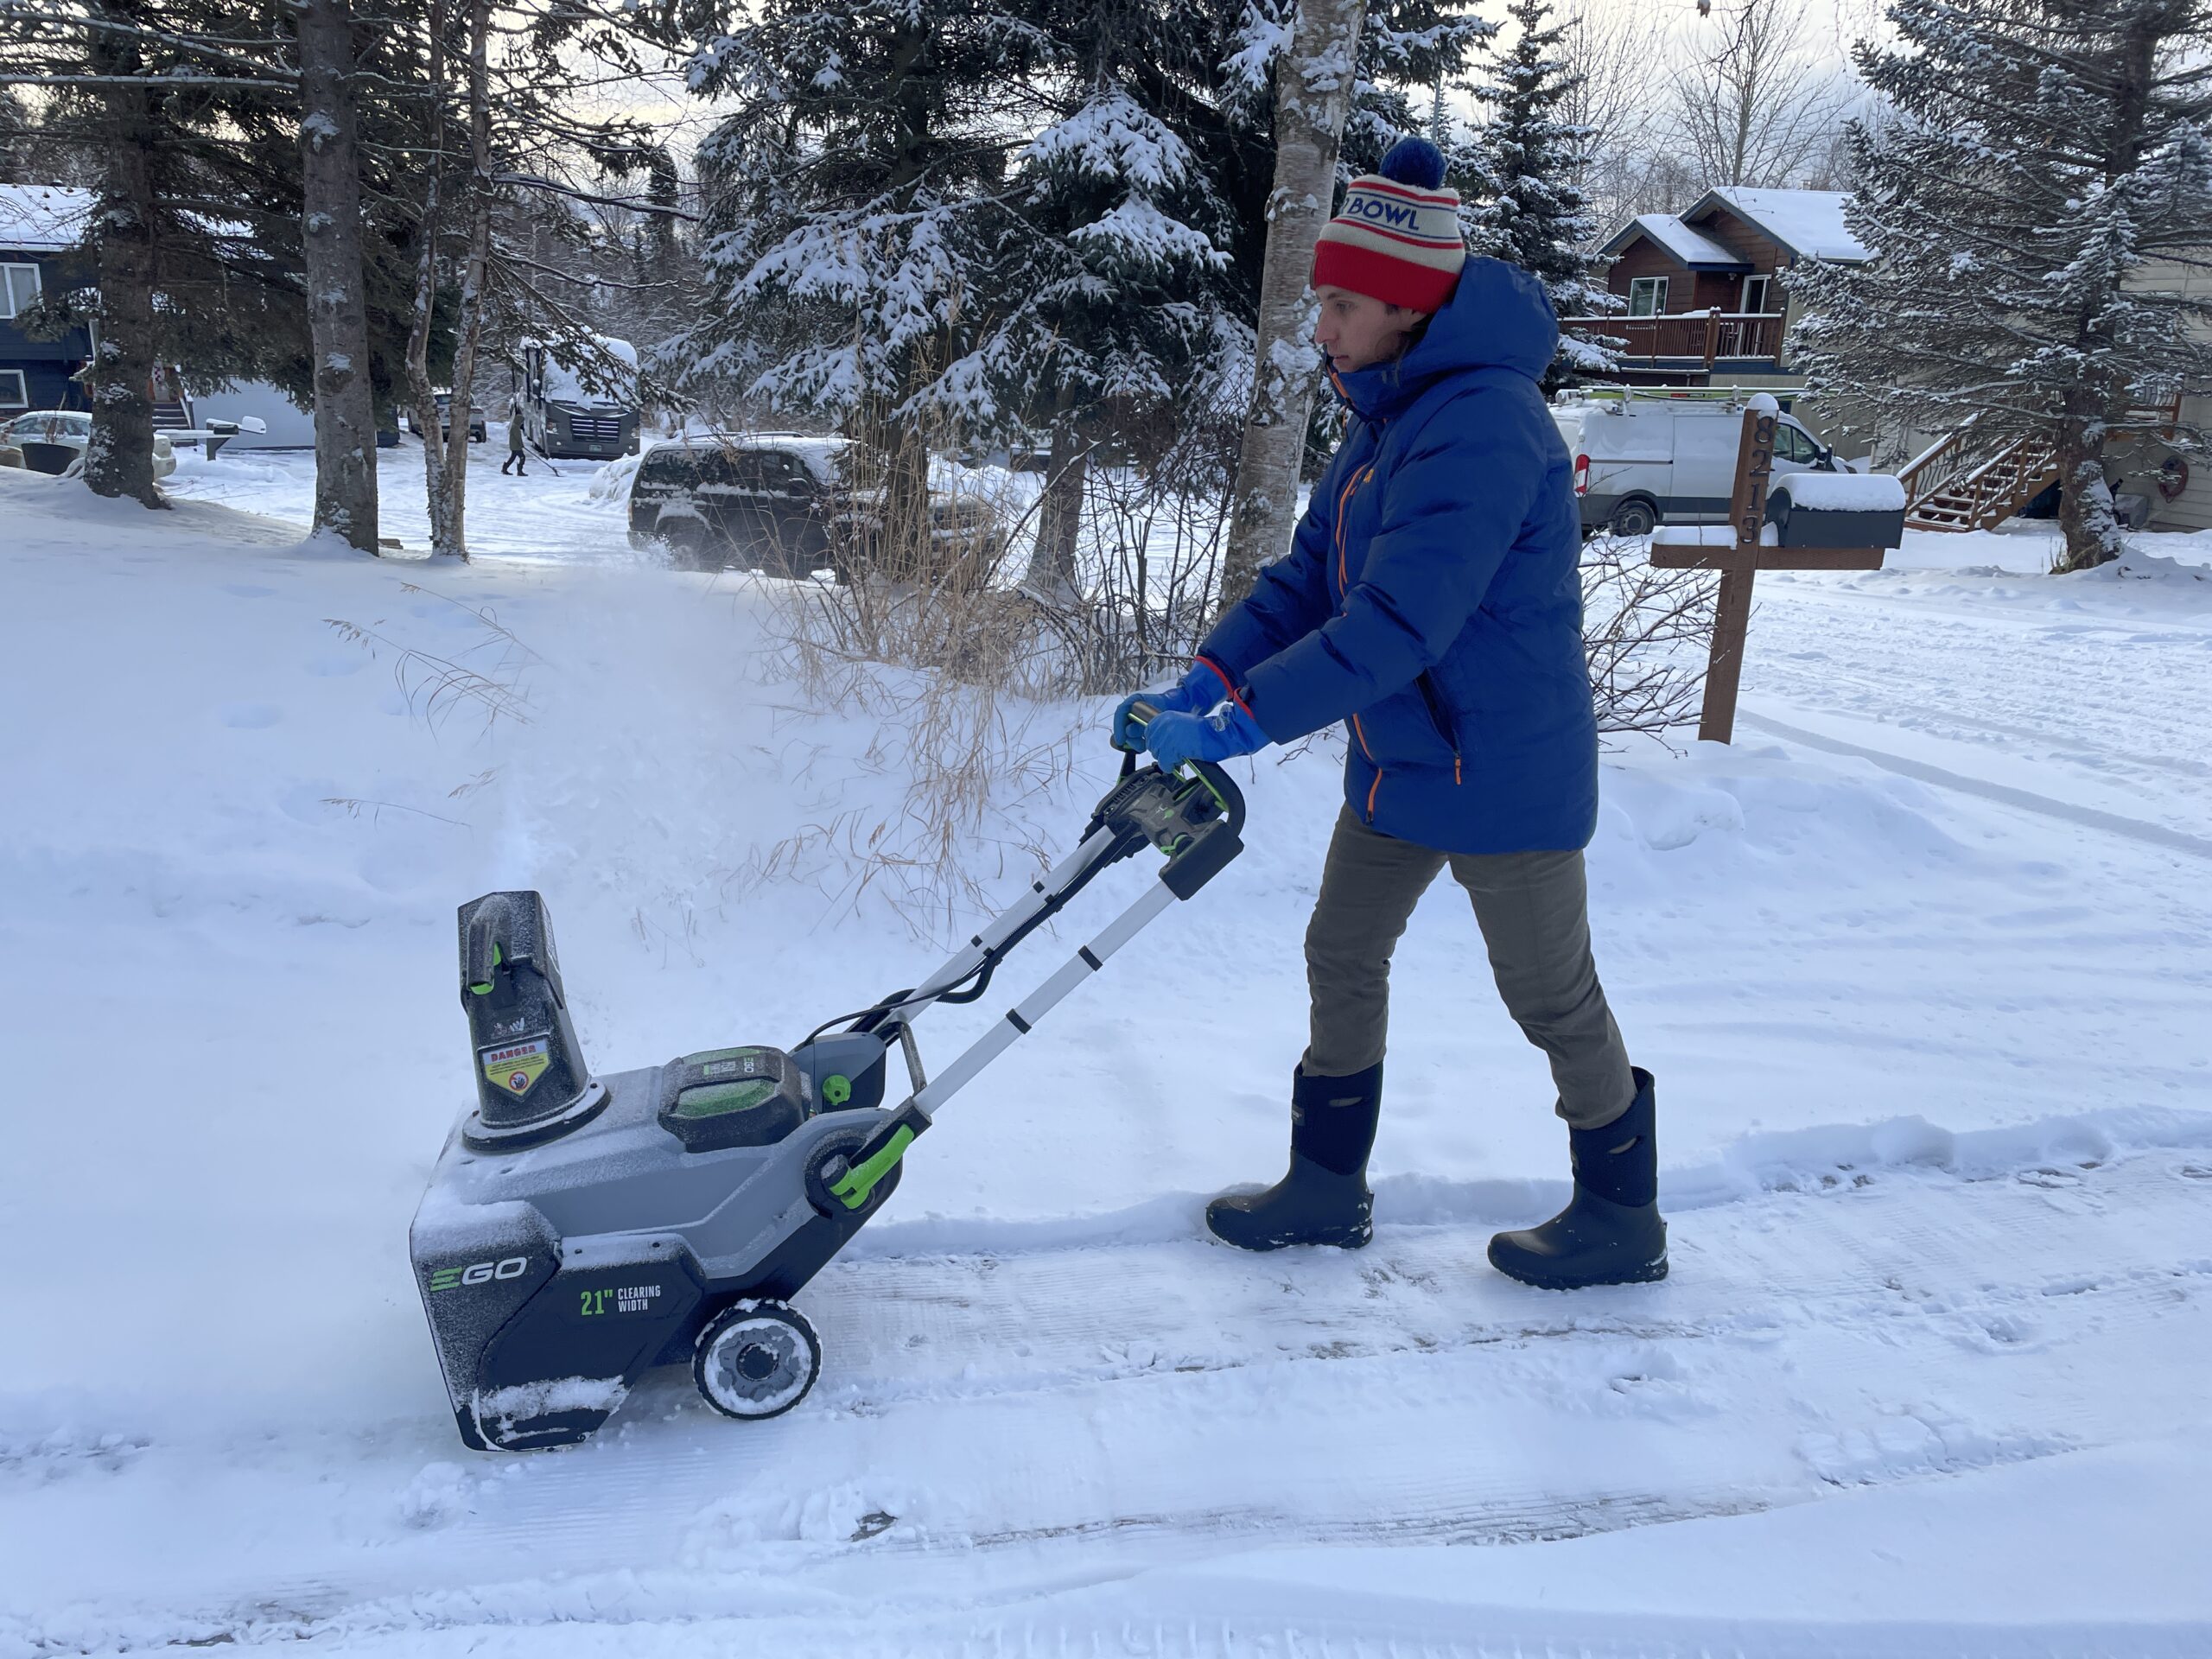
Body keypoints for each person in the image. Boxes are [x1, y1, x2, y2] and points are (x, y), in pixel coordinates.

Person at [1115, 136, 1662, 1291]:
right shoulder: (1384, 416)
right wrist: (1205, 680)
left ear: (1408, 309)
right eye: (1322, 301)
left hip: (1501, 769)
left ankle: (1622, 1215)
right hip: (1402, 759)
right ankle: (1326, 1189)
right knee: (1342, 950)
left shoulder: (1484, 424)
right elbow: (1310, 579)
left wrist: (1242, 724)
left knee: (1550, 998)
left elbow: (1398, 624)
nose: (1320, 326)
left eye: (1343, 305)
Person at [500, 397, 528, 476]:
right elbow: (518, 437)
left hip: (514, 446)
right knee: (522, 457)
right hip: (516, 446)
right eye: (521, 421)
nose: (521, 423)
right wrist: (521, 445)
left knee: (512, 458)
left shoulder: (515, 426)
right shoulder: (515, 427)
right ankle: (519, 471)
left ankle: (505, 468)